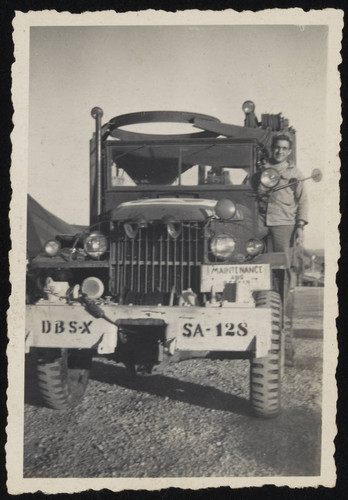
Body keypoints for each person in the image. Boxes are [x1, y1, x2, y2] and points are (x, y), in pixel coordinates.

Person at [259, 134, 308, 365]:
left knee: (283, 276)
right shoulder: (260, 168)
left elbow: (303, 201)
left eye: (284, 148)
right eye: (277, 148)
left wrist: (300, 226)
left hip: (283, 226)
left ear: (289, 151)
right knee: (256, 271)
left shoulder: (295, 173)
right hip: (260, 225)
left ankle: (285, 343)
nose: (279, 151)